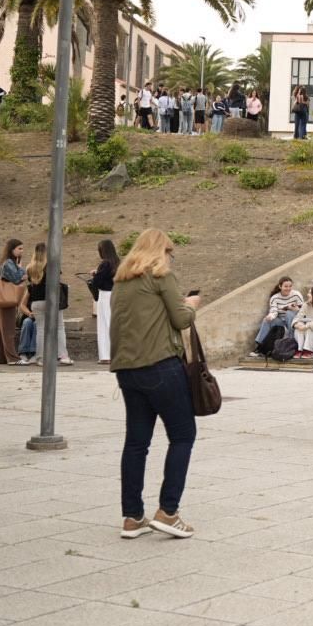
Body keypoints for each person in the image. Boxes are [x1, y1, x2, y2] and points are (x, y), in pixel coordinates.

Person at [109, 227, 202, 539]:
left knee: (136, 442)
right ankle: (168, 511)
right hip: (161, 365)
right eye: (170, 252)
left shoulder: (122, 281)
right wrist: (191, 304)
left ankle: (132, 516)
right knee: (183, 435)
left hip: (126, 370)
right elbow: (180, 320)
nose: (171, 259)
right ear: (162, 252)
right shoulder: (161, 275)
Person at [18, 244, 72, 366]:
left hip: (36, 303)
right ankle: (63, 356)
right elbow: (57, 281)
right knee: (59, 328)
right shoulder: (52, 265)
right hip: (51, 301)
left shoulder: (29, 268)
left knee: (41, 330)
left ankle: (40, 358)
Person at [249, 277, 303, 356]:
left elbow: (303, 309)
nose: (288, 288)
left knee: (289, 313)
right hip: (281, 321)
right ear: (280, 286)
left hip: (294, 321)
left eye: (290, 286)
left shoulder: (296, 295)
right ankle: (259, 345)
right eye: (286, 286)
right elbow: (273, 311)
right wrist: (270, 317)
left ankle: (291, 342)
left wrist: (295, 309)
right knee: (266, 320)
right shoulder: (275, 298)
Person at [0, 239, 27, 365]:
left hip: (1, 298)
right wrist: (21, 269)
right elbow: (17, 278)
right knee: (8, 329)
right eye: (19, 248)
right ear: (11, 249)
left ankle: (0, 357)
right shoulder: (9, 263)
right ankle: (13, 358)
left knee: (2, 330)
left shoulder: (4, 262)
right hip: (7, 298)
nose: (21, 251)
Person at [90, 239, 119, 364]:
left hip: (105, 295)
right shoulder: (117, 262)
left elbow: (97, 282)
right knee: (113, 324)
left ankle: (106, 355)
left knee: (104, 325)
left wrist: (95, 275)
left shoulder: (105, 264)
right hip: (116, 294)